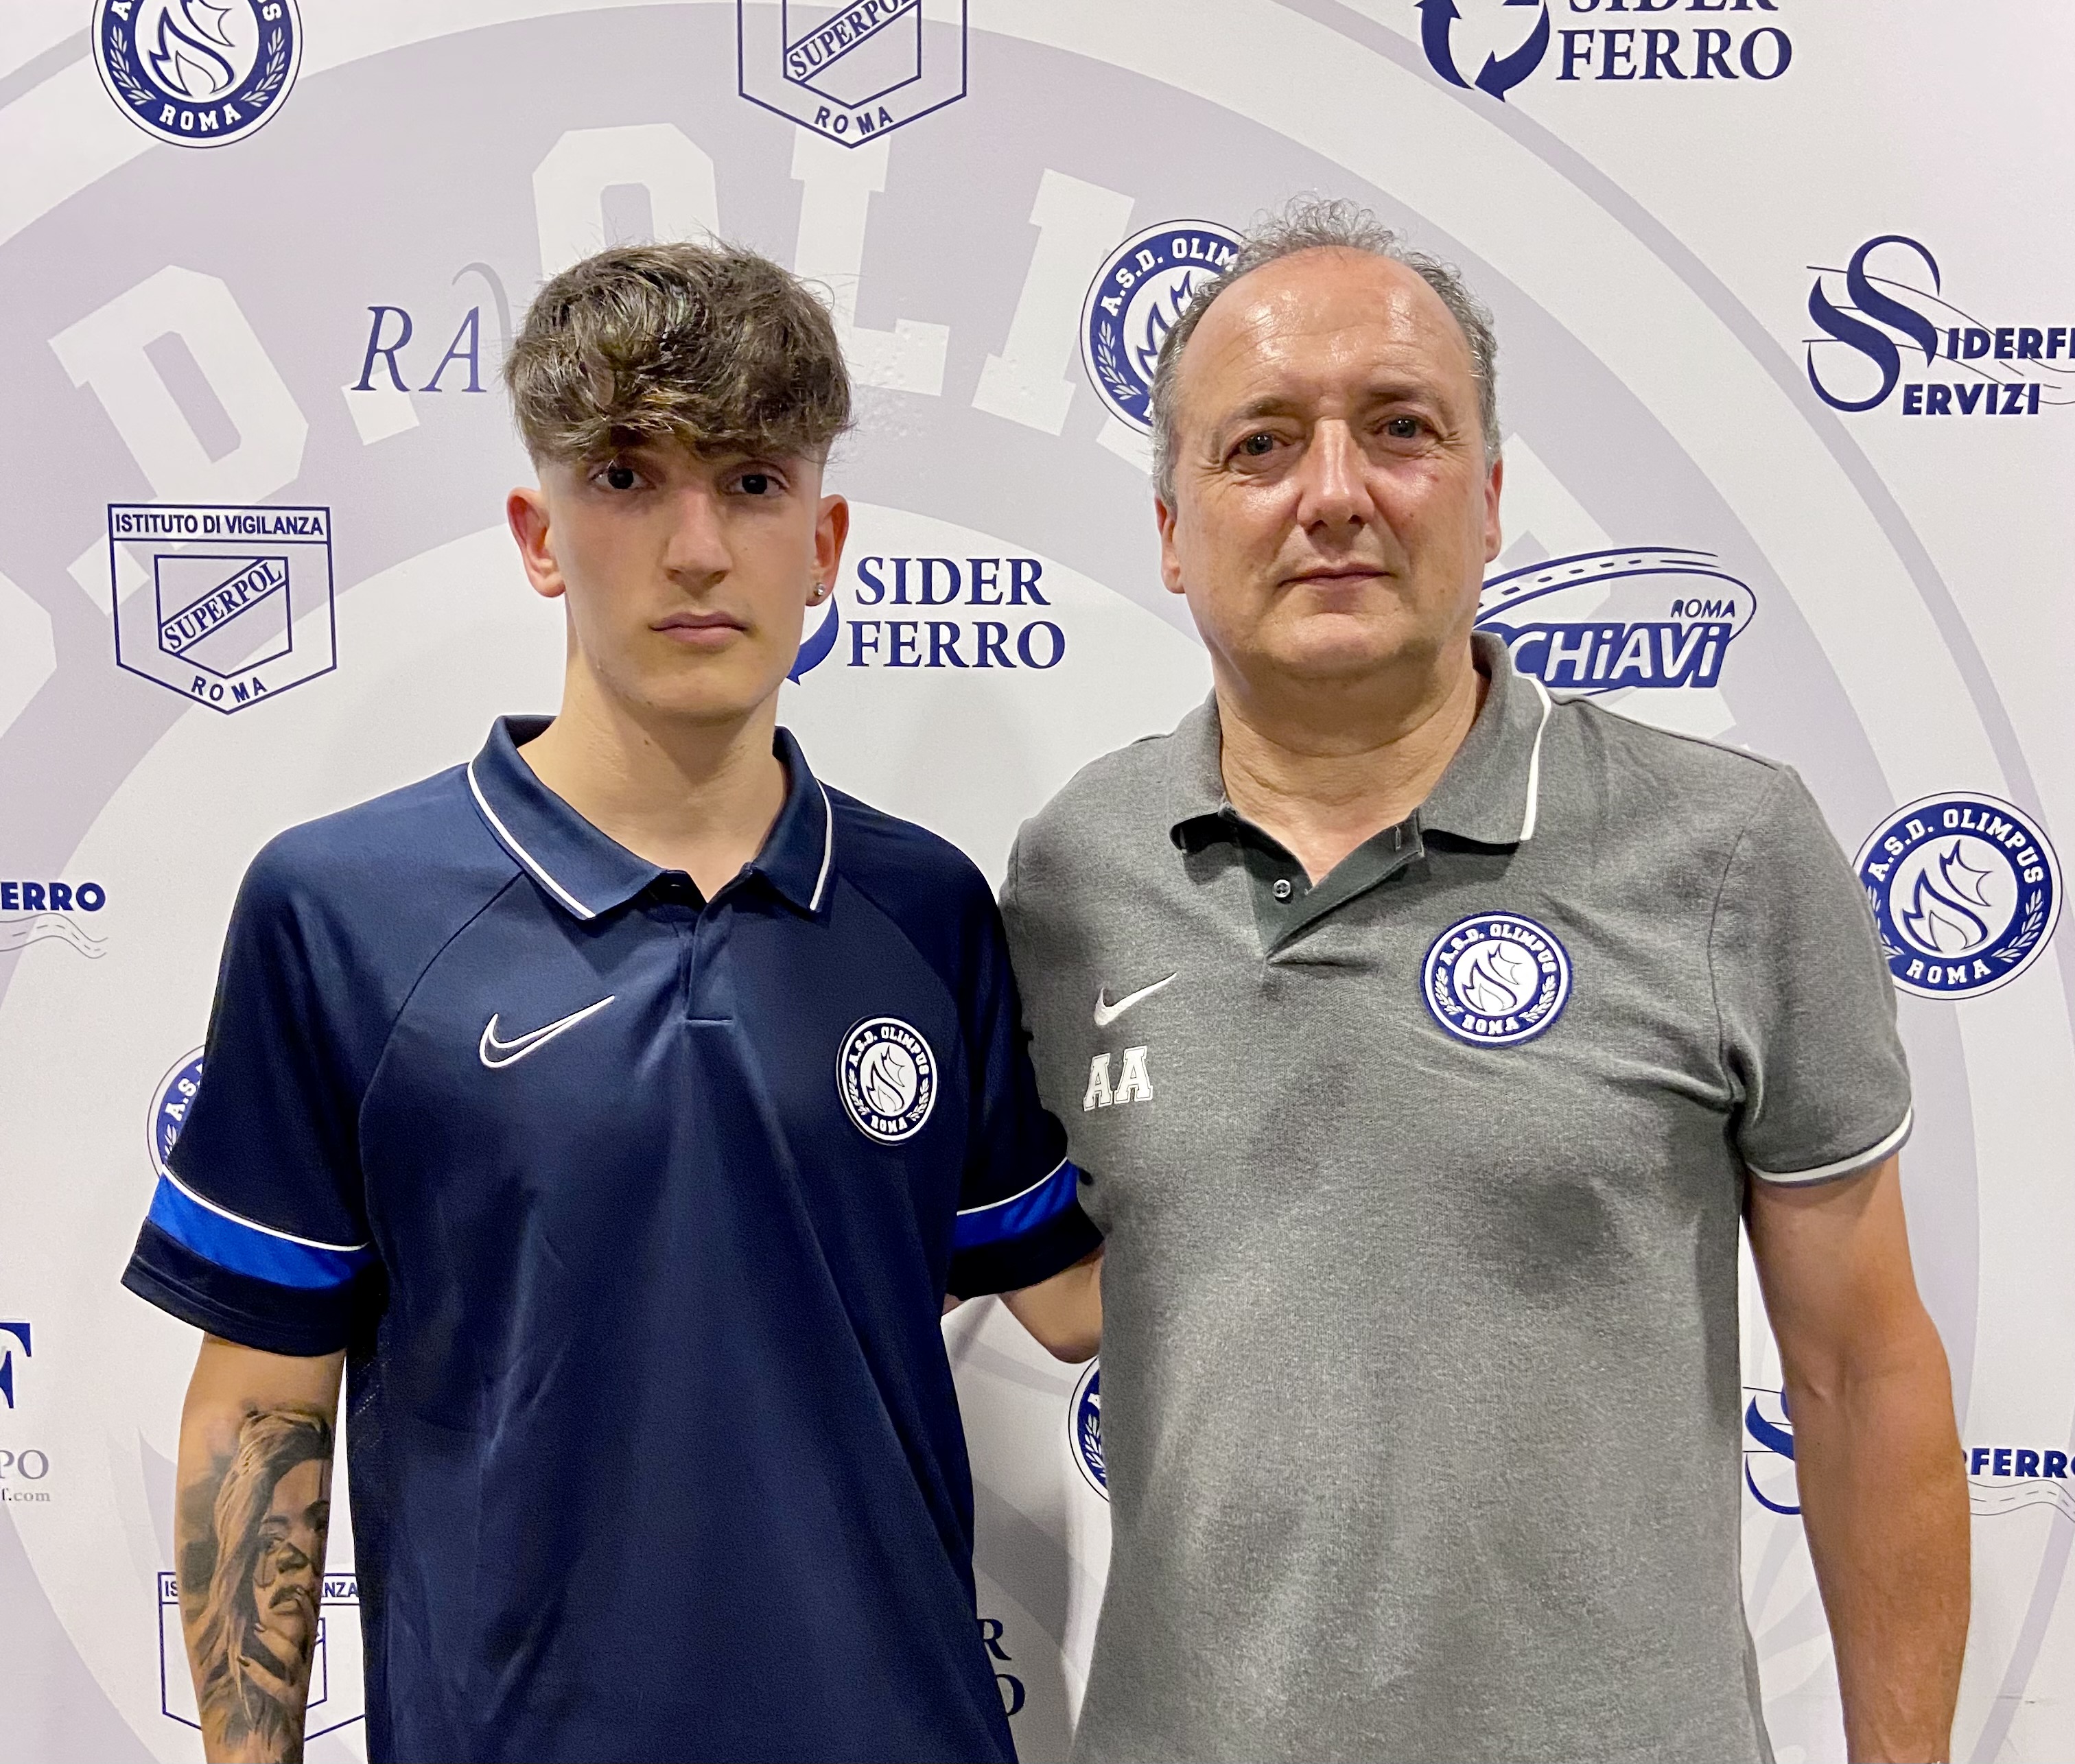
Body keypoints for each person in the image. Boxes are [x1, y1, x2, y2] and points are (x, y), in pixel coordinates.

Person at [999, 200, 1968, 1763]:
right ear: (1172, 529)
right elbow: (1065, 1292)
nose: (1334, 493)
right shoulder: (1073, 875)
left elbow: (1862, 1370)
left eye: (1401, 429)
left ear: (1493, 498)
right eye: (1260, 446)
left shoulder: (1726, 850)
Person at [124, 240, 1102, 1764]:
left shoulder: (927, 909)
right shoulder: (343, 909)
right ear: (539, 533)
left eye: (753, 483)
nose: (697, 547)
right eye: (630, 478)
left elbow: (1070, 1297)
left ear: (825, 541)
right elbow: (263, 1393)